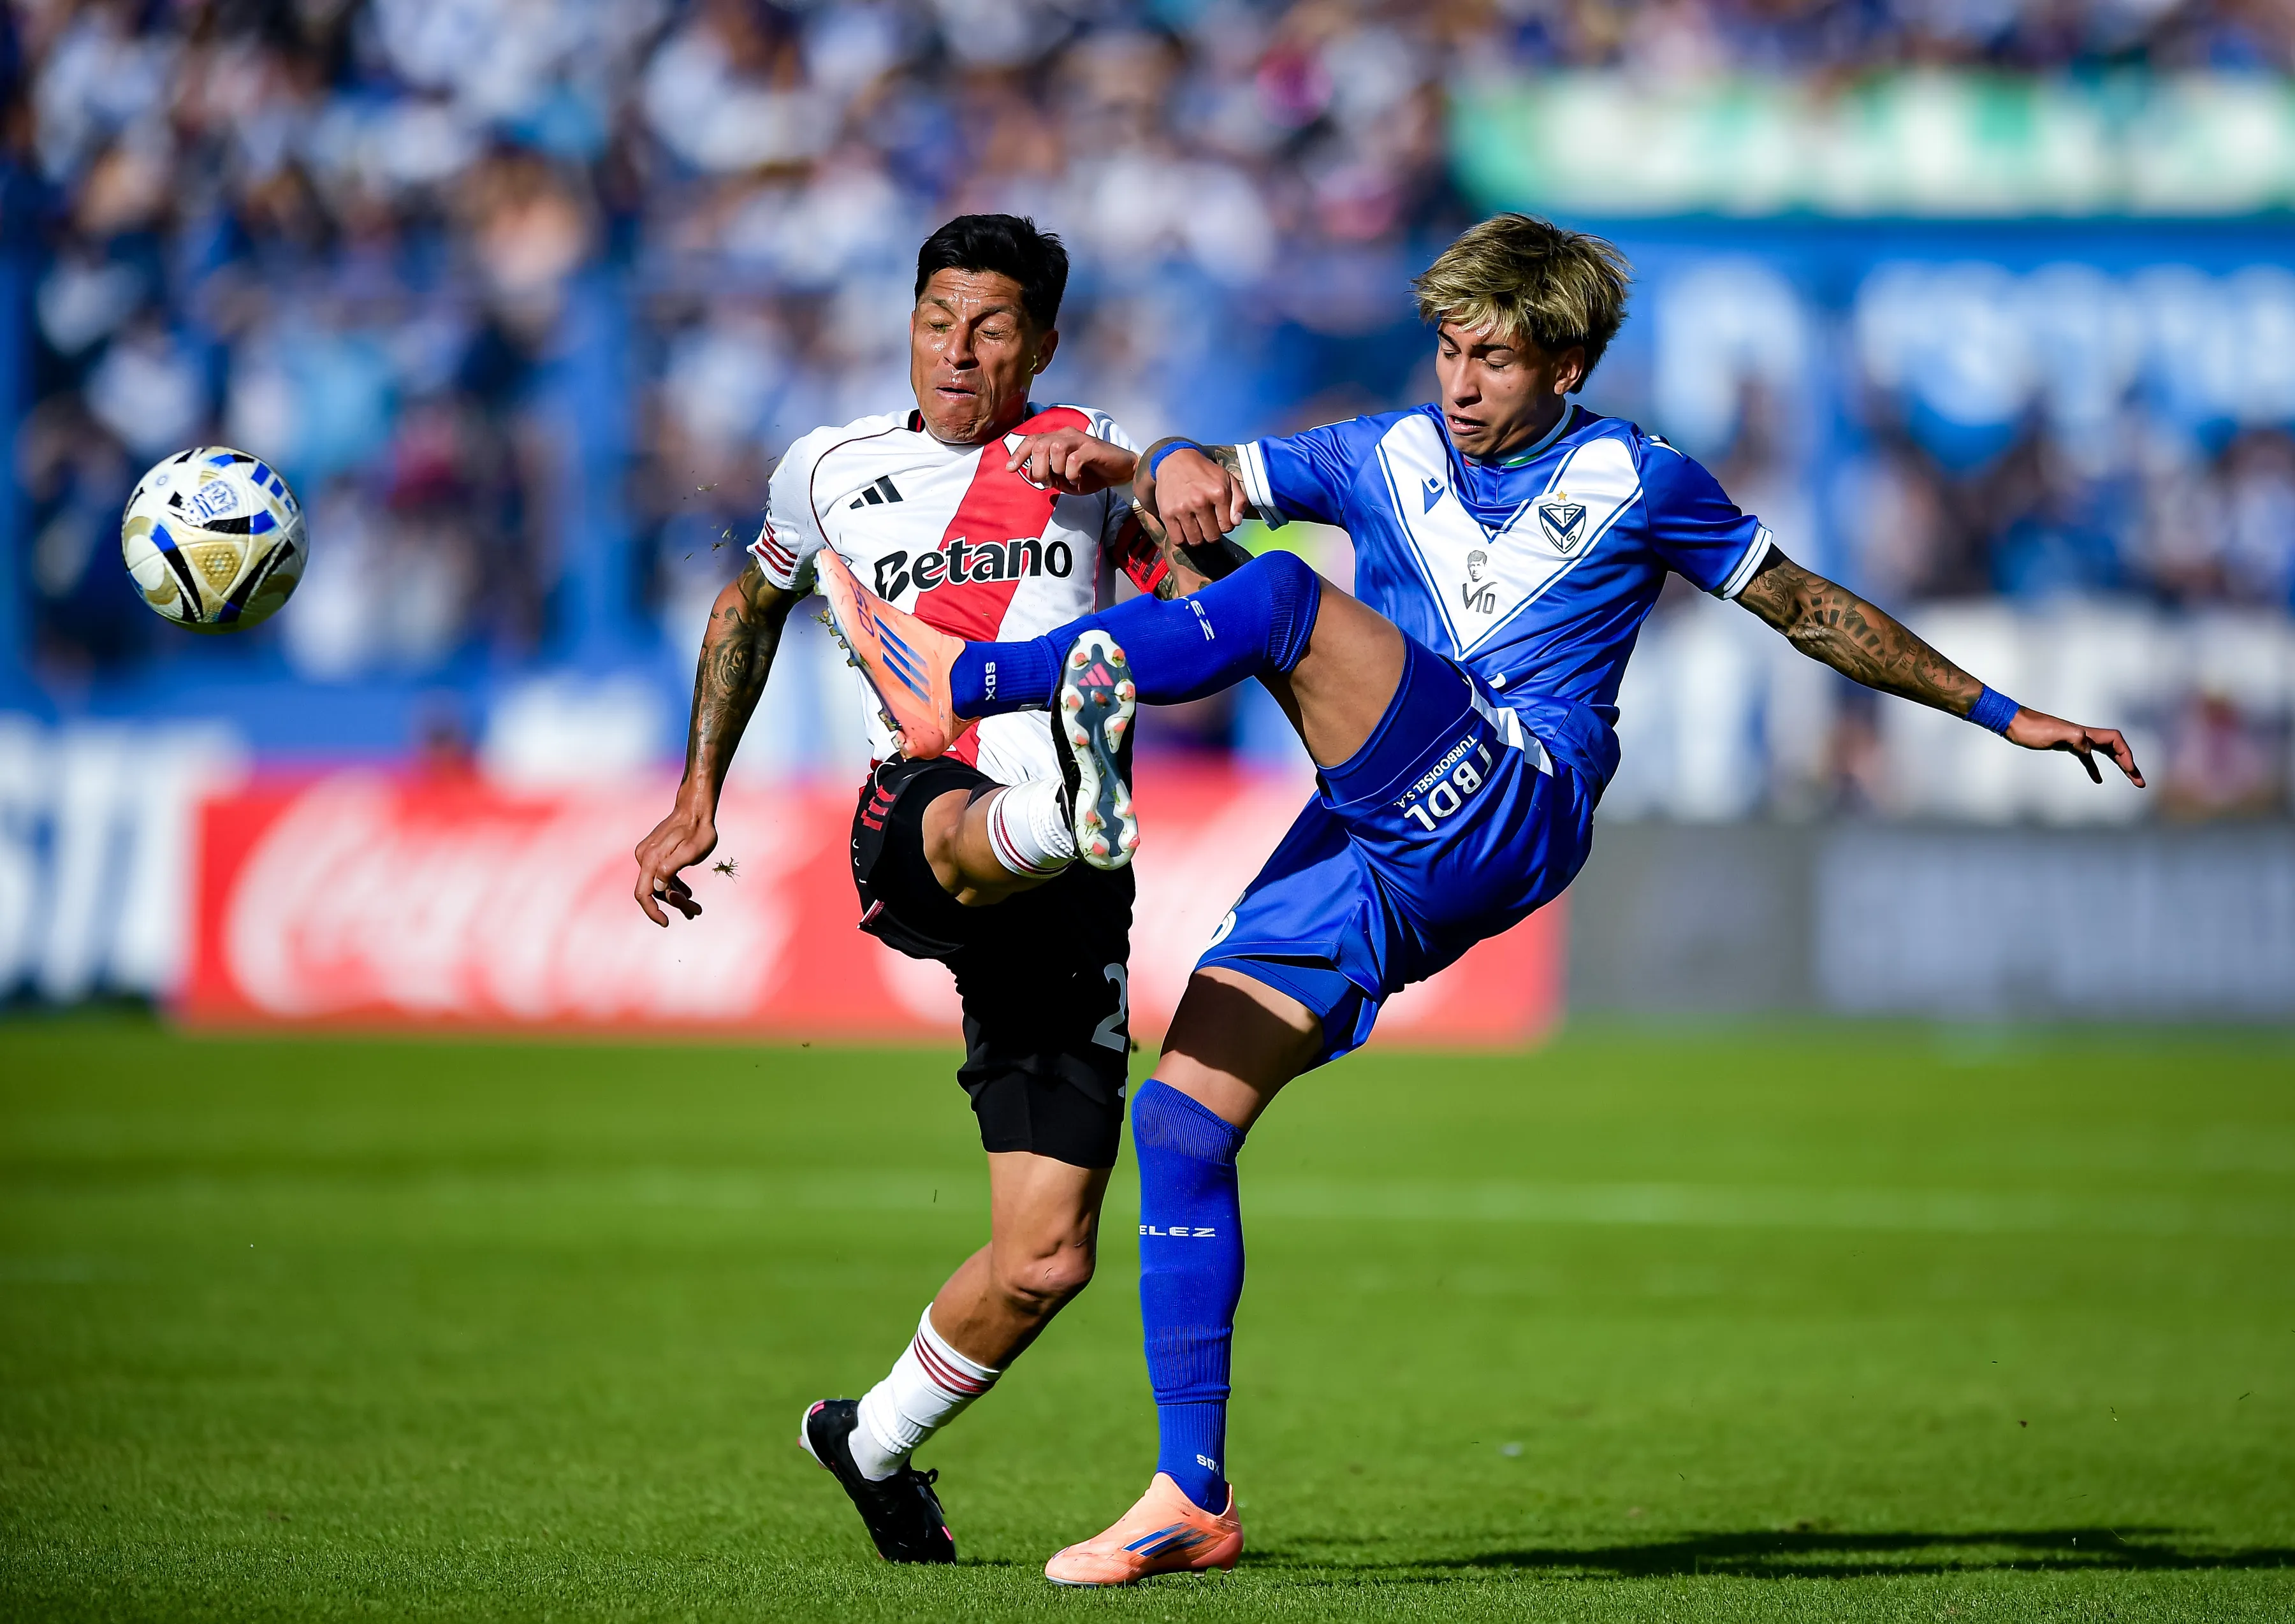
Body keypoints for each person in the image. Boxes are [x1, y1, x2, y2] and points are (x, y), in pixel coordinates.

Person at [811, 212, 2149, 1586]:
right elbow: (1202, 473)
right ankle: (1188, 1492)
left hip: (1511, 793)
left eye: (1495, 360)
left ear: (1565, 366)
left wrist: (2000, 711)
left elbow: (1805, 608)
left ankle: (952, 684)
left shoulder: (1638, 476)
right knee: (1180, 1114)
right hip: (1372, 831)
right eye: (1449, 350)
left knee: (1278, 596)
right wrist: (1155, 460)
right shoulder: (1379, 453)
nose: (1459, 384)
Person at [631, 214, 1172, 1565]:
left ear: (1042, 343)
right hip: (917, 823)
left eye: (994, 327)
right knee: (953, 804)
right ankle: (1064, 802)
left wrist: (1152, 487)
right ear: (908, 320)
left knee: (1048, 1258)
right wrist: (698, 793)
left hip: (1067, 902)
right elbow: (750, 607)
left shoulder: (1095, 457)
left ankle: (867, 1439)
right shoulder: (826, 470)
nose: (960, 348)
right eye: (939, 317)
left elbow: (1210, 598)